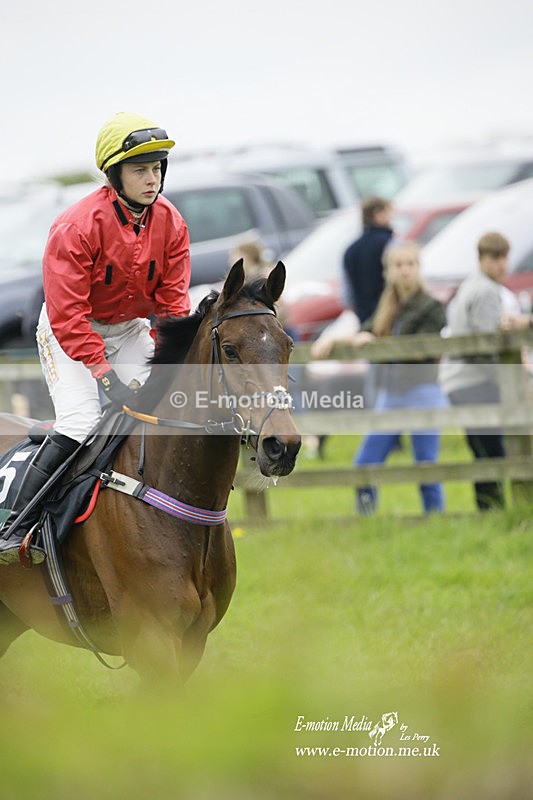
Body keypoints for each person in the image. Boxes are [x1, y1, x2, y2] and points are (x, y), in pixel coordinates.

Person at [0, 112, 191, 565]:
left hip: (127, 330)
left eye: (157, 168)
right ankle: (13, 524)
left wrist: (172, 364)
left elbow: (172, 308)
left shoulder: (172, 224)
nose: (152, 179)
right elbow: (68, 316)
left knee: (170, 404)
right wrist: (105, 376)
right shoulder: (76, 226)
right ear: (114, 174)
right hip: (70, 331)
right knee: (83, 421)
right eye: (140, 169)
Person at [314, 241, 448, 514]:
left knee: (426, 467)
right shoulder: (387, 305)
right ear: (388, 271)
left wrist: (376, 343)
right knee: (364, 464)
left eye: (410, 264)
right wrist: (334, 340)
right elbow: (366, 331)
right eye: (399, 265)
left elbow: (419, 349)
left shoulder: (432, 306)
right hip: (391, 393)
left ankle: (436, 519)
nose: (405, 271)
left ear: (418, 268)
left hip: (423, 391)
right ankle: (367, 519)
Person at [439, 232, 510, 511]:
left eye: (504, 257)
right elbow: (486, 345)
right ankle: (494, 508)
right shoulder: (486, 290)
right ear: (482, 258)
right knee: (492, 450)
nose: (501, 265)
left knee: (482, 449)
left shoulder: (472, 284)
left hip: (459, 381)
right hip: (475, 380)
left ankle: (489, 508)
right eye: (495, 258)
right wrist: (513, 380)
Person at [343, 196, 394, 326]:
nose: (391, 217)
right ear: (378, 213)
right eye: (388, 212)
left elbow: (347, 297)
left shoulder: (350, 251)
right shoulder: (390, 244)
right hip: (392, 317)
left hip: (364, 321)